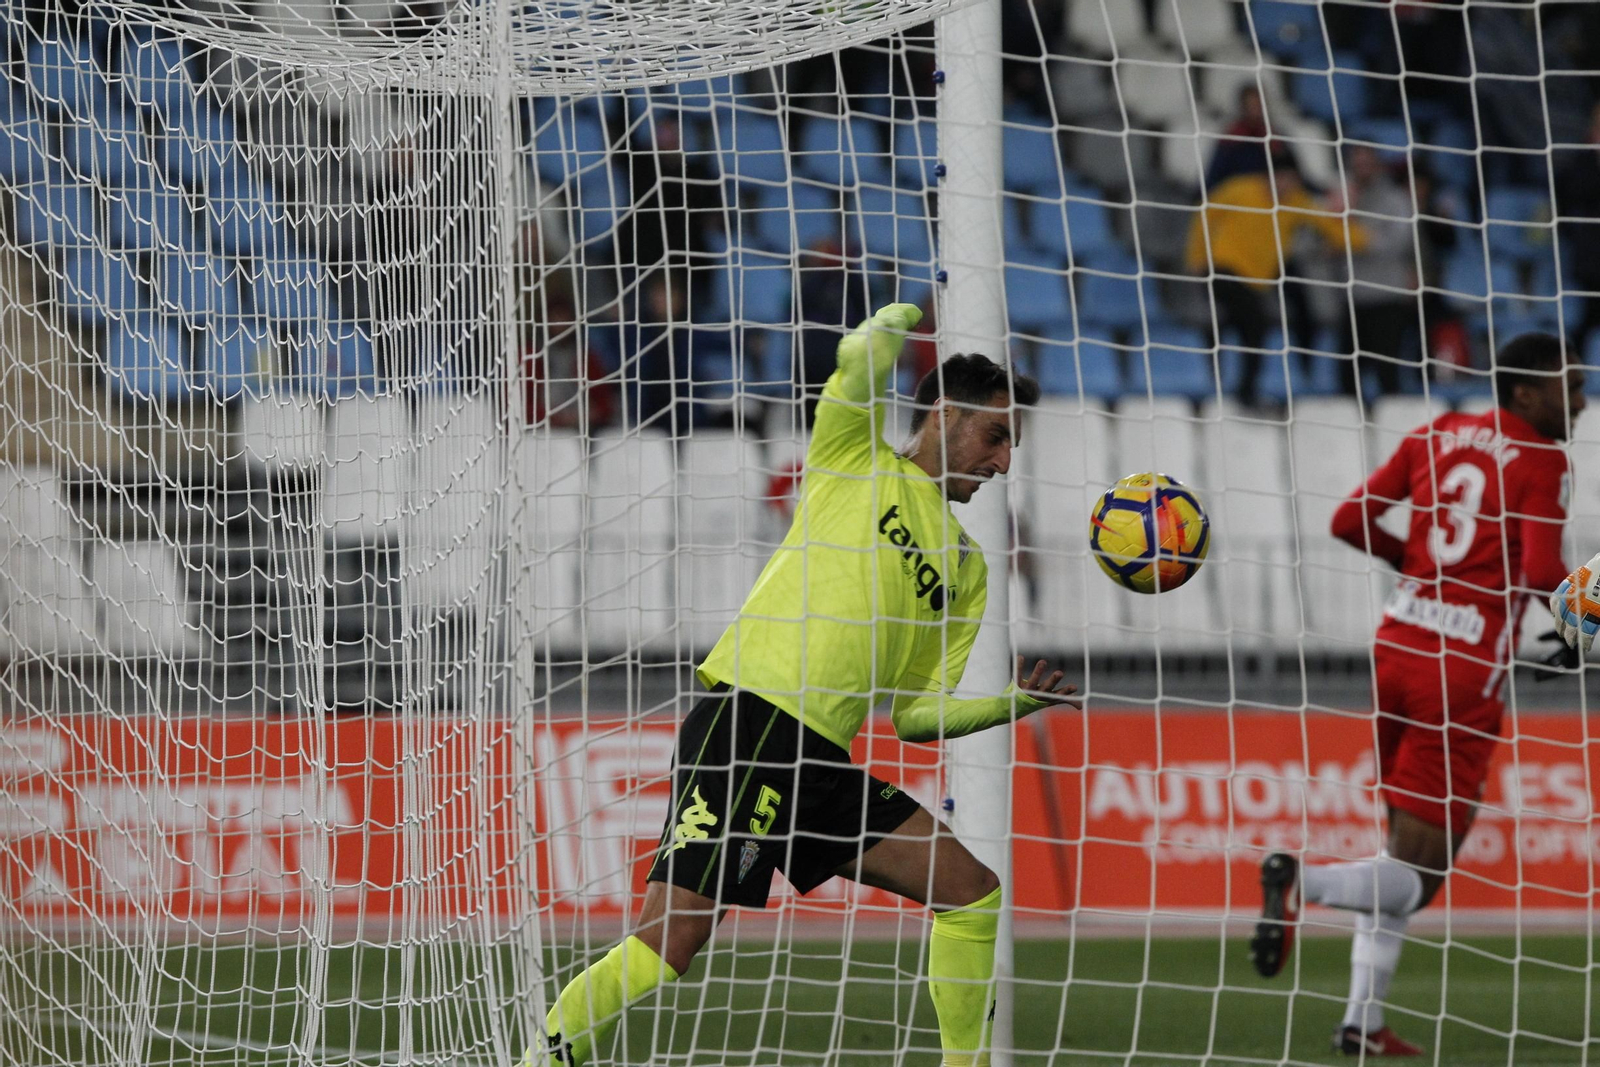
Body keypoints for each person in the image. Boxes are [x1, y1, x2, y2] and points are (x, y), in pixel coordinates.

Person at [541, 304, 1077, 1065]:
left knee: (971, 892)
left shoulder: (966, 568)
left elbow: (916, 716)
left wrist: (1012, 704)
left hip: (820, 759)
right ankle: (541, 1057)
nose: (1003, 463)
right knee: (671, 942)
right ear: (945, 415)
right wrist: (890, 324)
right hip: (753, 725)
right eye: (995, 436)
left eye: (1012, 445)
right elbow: (855, 370)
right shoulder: (855, 460)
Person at [1253, 333, 1584, 1057]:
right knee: (1420, 876)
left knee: (1397, 848)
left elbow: (1348, 520)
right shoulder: (1542, 458)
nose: (1583, 402)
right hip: (1461, 668)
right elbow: (1538, 570)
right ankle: (1301, 879)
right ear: (1525, 394)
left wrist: (1418, 565)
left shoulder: (1438, 431)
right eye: (1572, 387)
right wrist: (1580, 627)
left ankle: (1361, 1022)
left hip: (1398, 645)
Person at [1186, 158, 1368, 407]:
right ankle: (1244, 394)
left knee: (1251, 322)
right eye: (1280, 177)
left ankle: (1229, 377)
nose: (1284, 184)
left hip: (1256, 283)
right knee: (1256, 323)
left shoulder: (1297, 202)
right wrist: (1197, 257)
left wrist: (1363, 239)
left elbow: (1328, 226)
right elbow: (1205, 215)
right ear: (1268, 176)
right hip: (1223, 270)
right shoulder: (1240, 189)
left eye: (1290, 179)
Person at [1339, 145, 1422, 401]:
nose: (1361, 169)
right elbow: (1322, 241)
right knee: (1347, 375)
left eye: (1366, 163)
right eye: (1357, 164)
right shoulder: (1341, 197)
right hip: (1352, 297)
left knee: (1388, 372)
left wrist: (1356, 239)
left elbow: (1398, 241)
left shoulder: (1396, 200)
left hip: (1387, 296)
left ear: (1377, 165)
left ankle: (1391, 420)